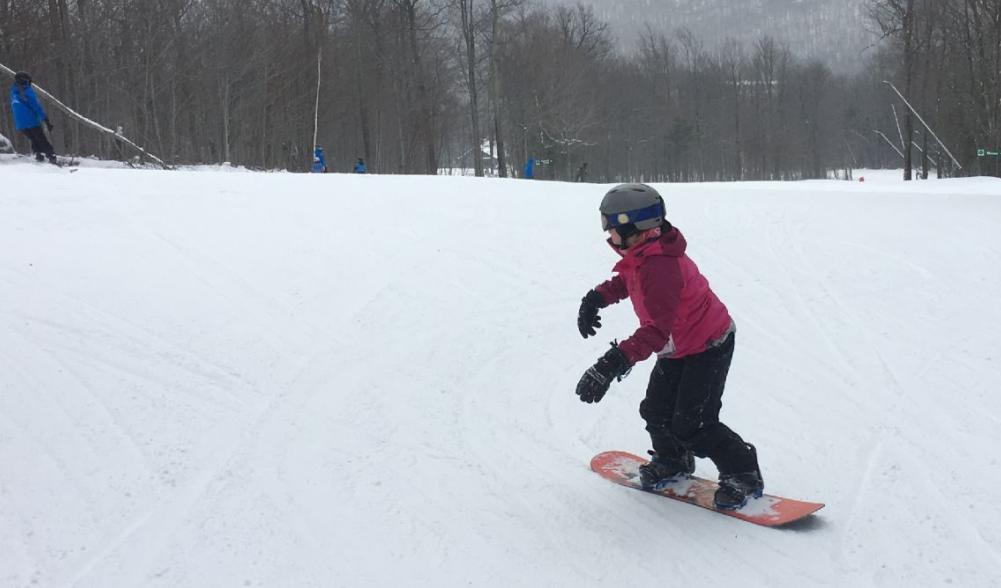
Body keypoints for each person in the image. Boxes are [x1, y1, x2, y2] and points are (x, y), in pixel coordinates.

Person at [574, 183, 763, 510]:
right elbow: (628, 281)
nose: (608, 235)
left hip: (708, 344)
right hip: (678, 346)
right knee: (656, 411)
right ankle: (673, 459)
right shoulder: (645, 254)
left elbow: (656, 333)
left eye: (612, 227)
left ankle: (743, 471)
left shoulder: (660, 267)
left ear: (634, 227)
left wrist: (610, 363)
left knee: (695, 423)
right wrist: (596, 299)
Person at [9, 71, 56, 164]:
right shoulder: (27, 91)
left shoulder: (13, 91)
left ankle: (38, 155)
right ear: (26, 80)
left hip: (20, 124)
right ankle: (51, 156)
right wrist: (45, 120)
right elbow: (36, 106)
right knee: (41, 138)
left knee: (34, 138)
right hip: (31, 121)